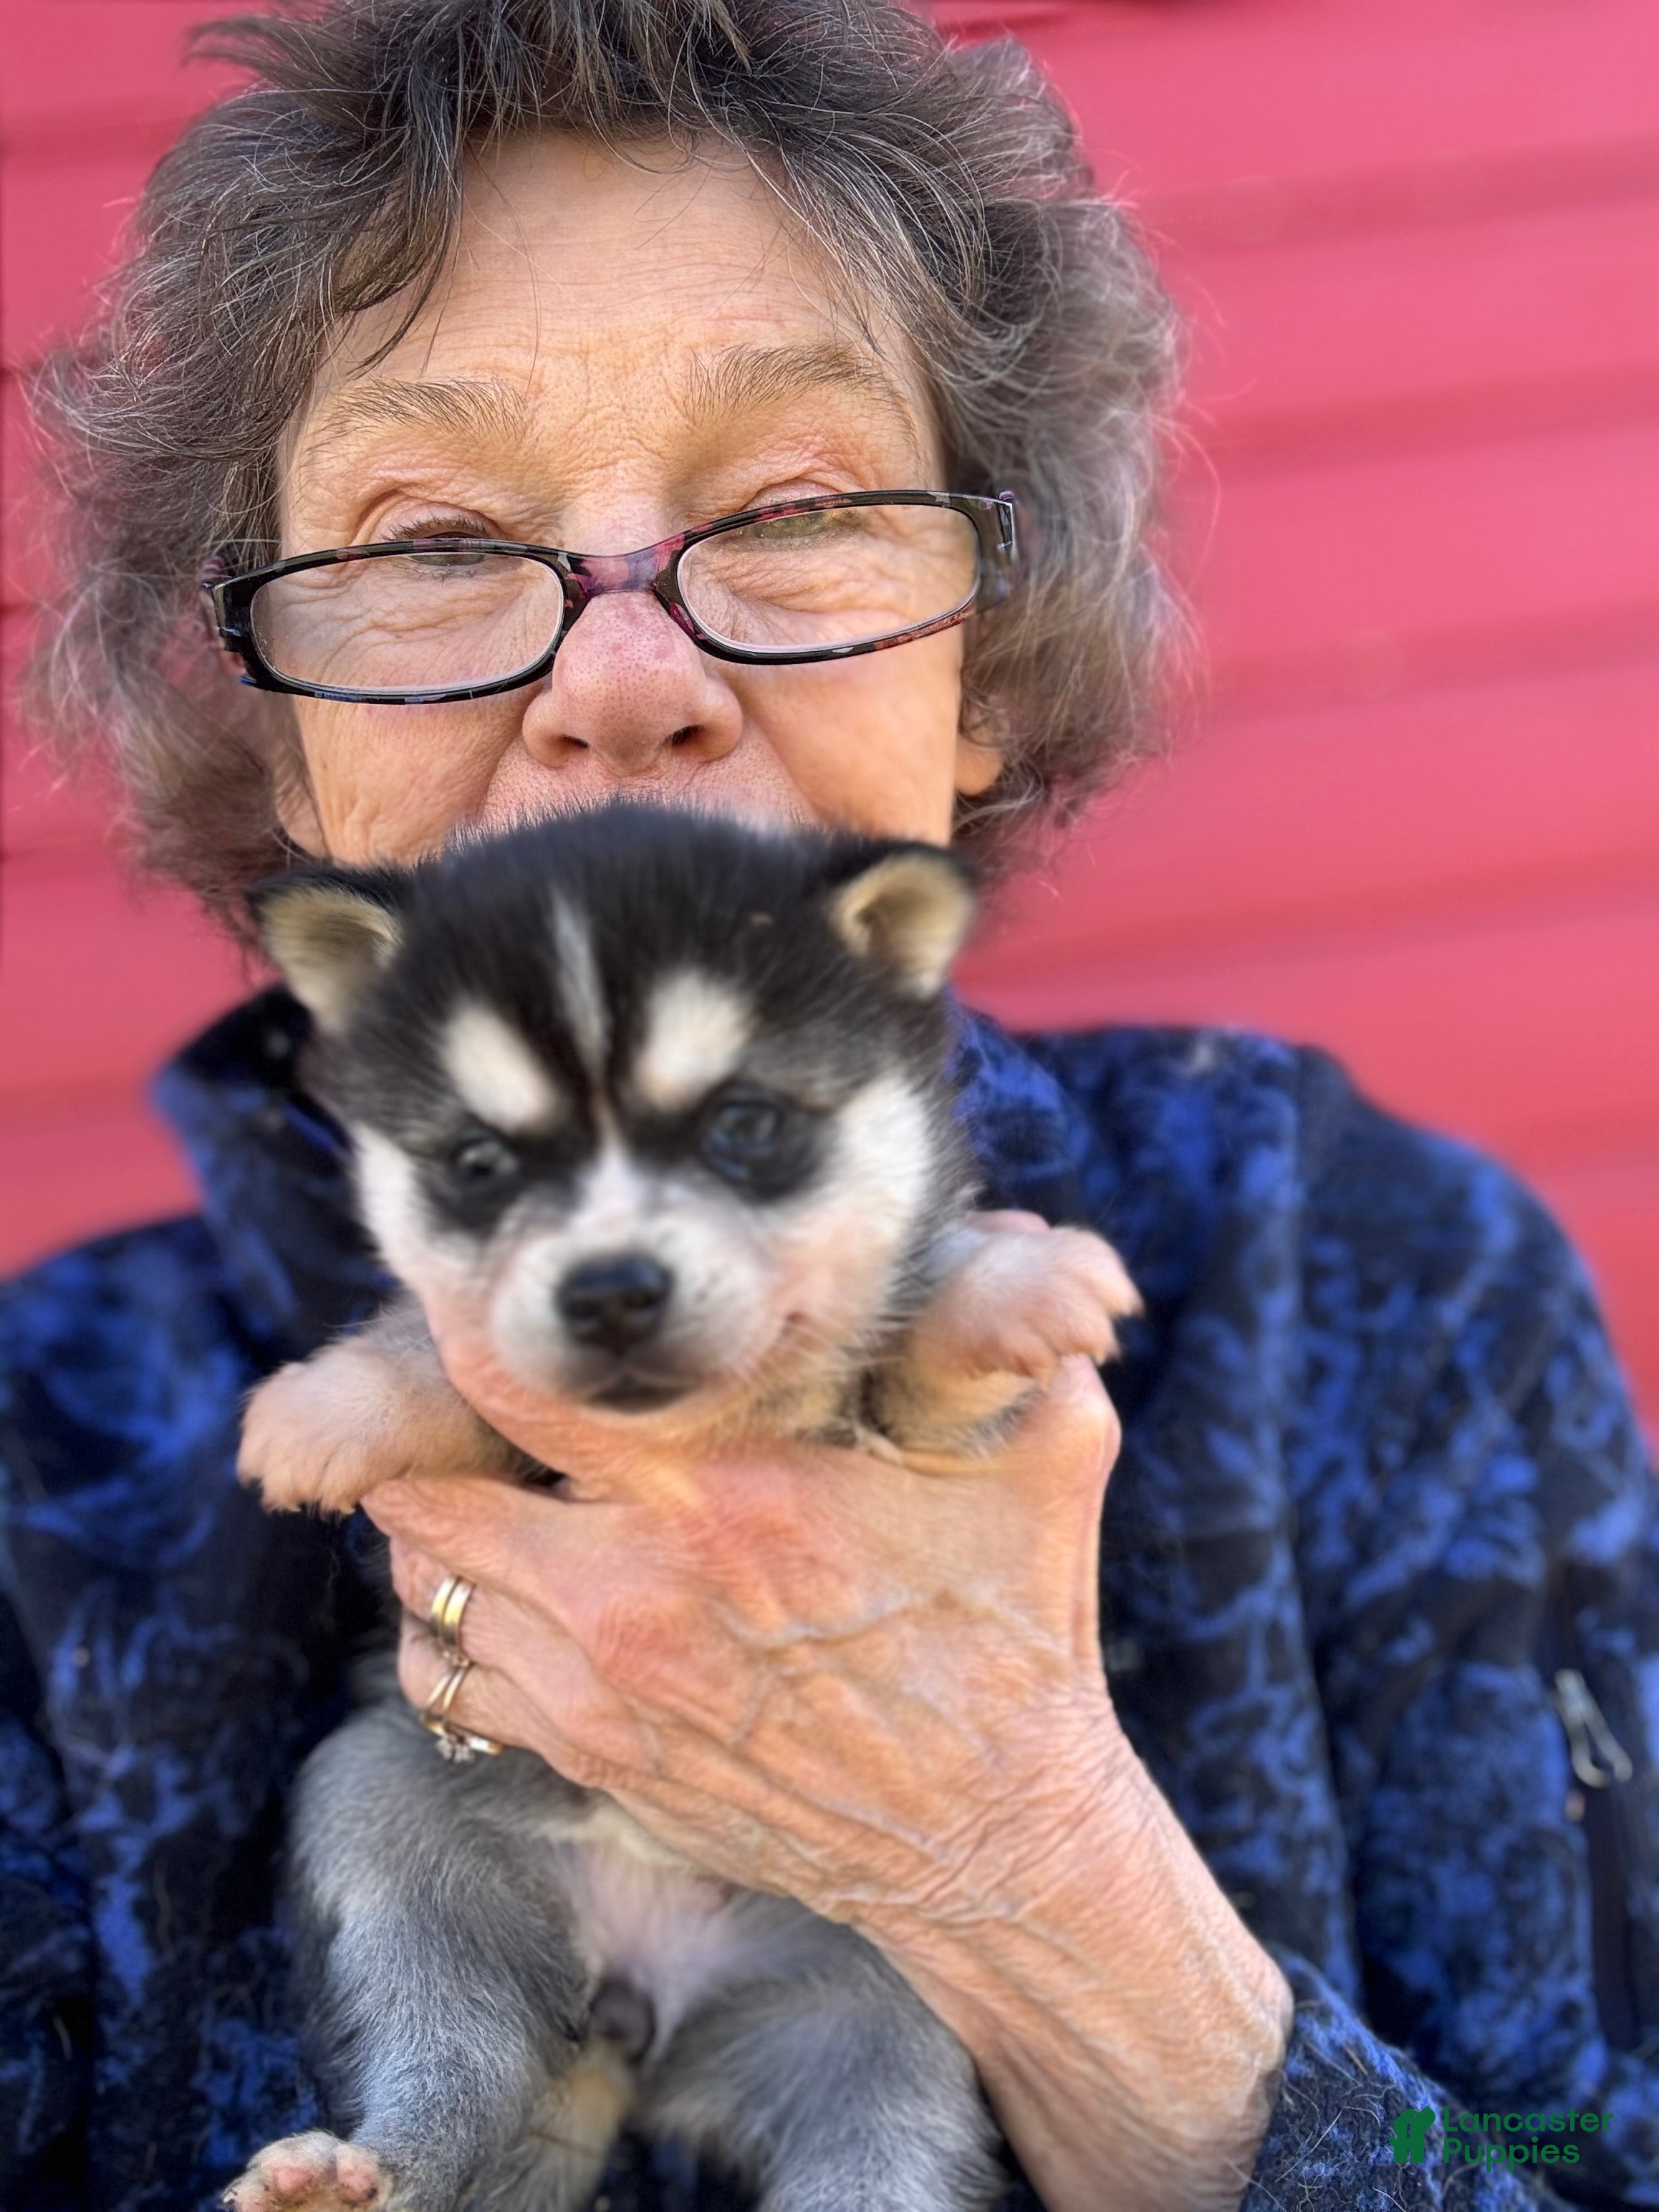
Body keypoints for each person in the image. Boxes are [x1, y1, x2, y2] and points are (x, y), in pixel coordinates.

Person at [2, 1, 1653, 2207]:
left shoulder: (1373, 1284)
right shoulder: (38, 1470)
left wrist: (1024, 1858)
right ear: (278, 742)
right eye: (431, 538)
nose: (623, 681)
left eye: (793, 506)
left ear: (982, 654)